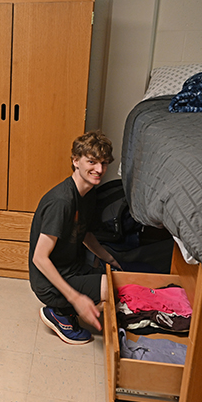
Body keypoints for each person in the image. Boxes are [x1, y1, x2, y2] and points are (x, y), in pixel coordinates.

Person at [28, 130, 122, 345]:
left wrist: (112, 260)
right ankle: (61, 313)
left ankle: (67, 307)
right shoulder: (62, 201)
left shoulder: (88, 193)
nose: (99, 170)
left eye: (104, 163)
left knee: (118, 280)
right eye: (92, 162)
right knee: (112, 289)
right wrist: (76, 299)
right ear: (75, 161)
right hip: (48, 283)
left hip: (72, 266)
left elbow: (85, 234)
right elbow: (39, 258)